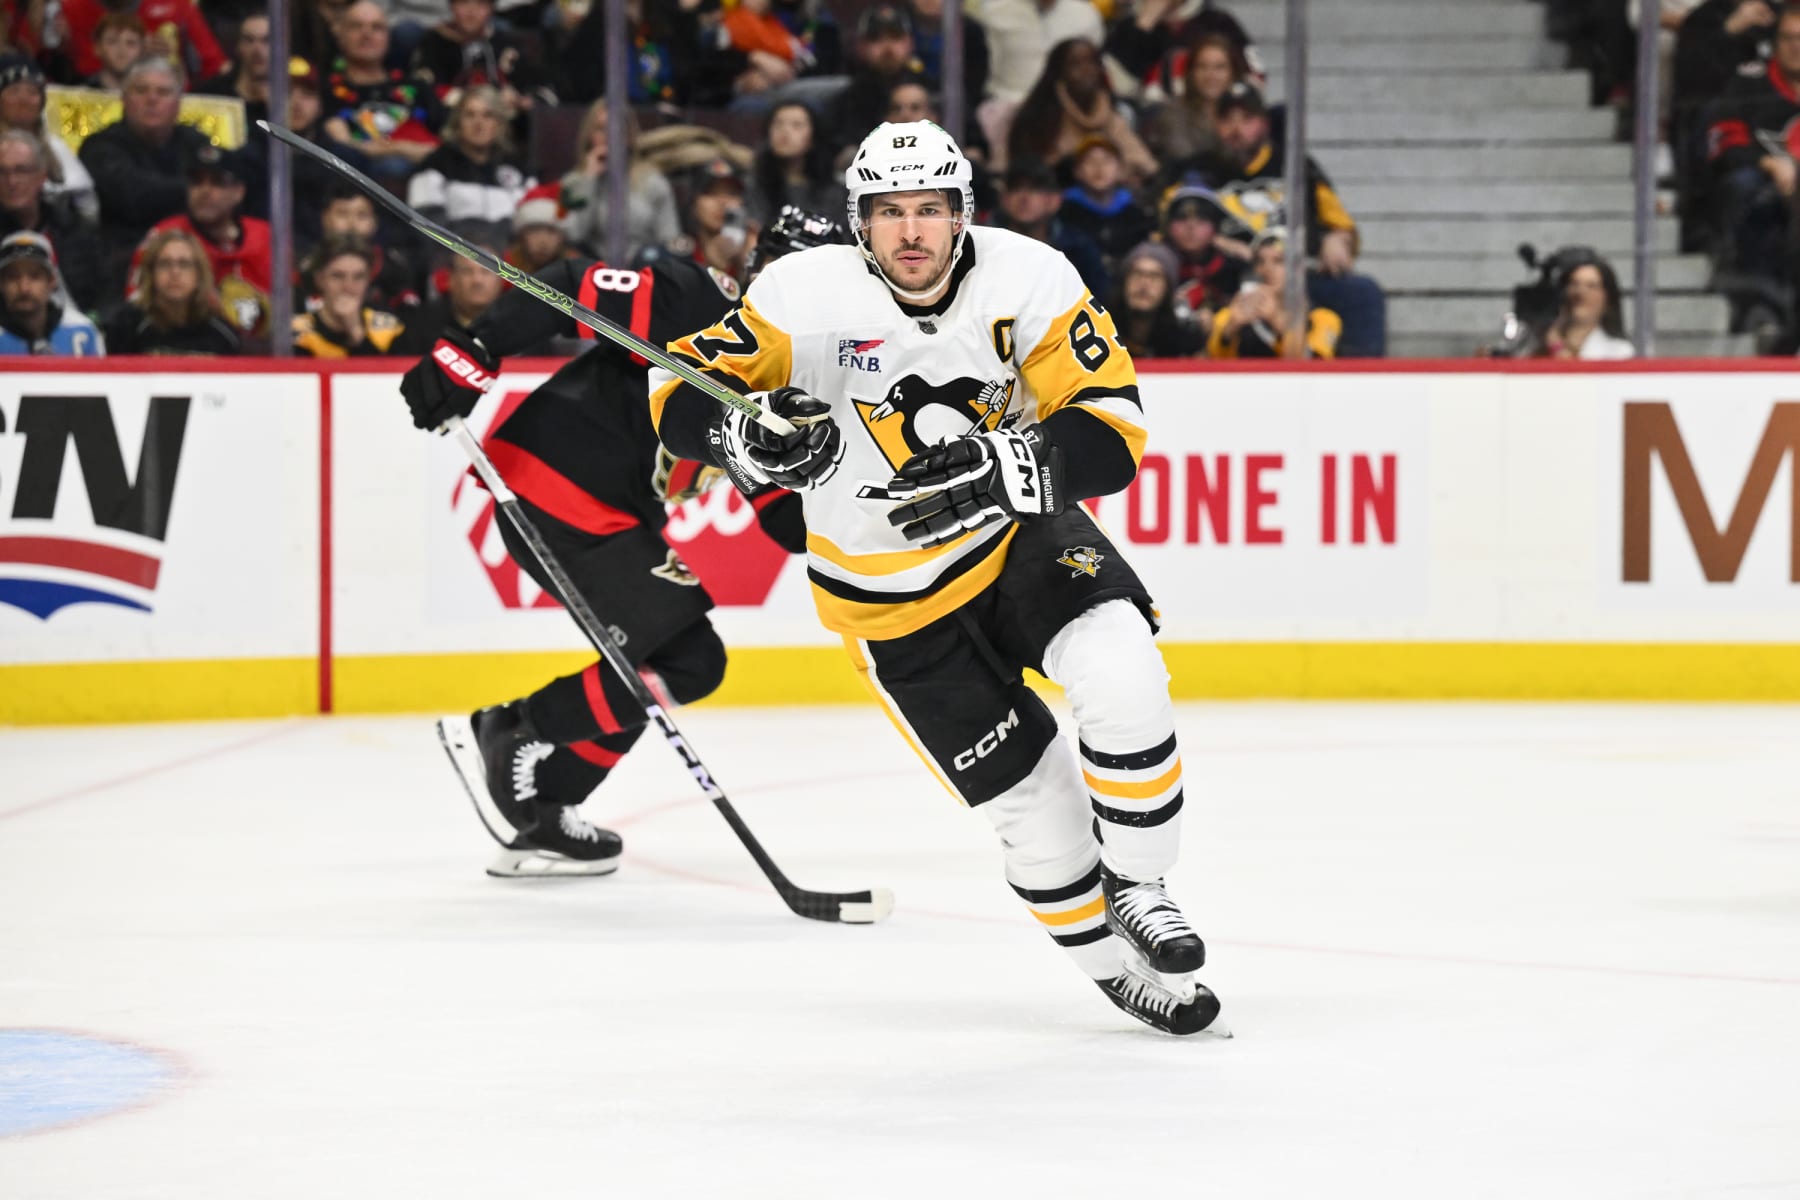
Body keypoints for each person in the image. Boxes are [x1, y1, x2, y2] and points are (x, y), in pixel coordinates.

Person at [648, 121, 1222, 1036]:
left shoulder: (1030, 275)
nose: (910, 232)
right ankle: (1113, 968)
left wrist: (1011, 465)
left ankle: (1144, 885)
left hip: (1015, 541)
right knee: (1036, 817)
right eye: (887, 214)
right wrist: (741, 436)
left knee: (1123, 671)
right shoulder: (799, 294)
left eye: (930, 210)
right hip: (887, 604)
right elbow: (680, 391)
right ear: (858, 221)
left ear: (963, 214)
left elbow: (1111, 424)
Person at [395, 207, 845, 876]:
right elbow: (571, 285)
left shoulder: (793, 386)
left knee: (663, 660)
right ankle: (511, 731)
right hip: (551, 483)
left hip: (608, 511)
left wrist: (858, 494)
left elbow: (786, 524)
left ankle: (544, 804)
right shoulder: (700, 302)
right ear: (759, 266)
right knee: (689, 661)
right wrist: (478, 348)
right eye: (789, 272)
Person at [1188, 81, 1386, 357]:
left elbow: (1342, 226)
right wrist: (1214, 242)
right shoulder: (1198, 171)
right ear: (1215, 124)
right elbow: (1172, 223)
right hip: (1226, 277)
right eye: (1228, 120)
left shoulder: (1296, 165)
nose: (1237, 129)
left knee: (1362, 292)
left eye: (1247, 119)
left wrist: (1338, 237)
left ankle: (1360, 383)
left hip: (1299, 278)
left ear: (1264, 124)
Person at [79, 58, 215, 303]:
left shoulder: (196, 143)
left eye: (162, 92)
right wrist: (194, 192)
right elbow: (133, 197)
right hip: (121, 258)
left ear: (178, 103)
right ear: (123, 98)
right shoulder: (99, 147)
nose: (152, 99)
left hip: (195, 250)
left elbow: (220, 194)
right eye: (141, 90)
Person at [132, 144, 273, 342]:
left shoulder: (267, 237)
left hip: (262, 356)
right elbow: (137, 304)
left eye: (218, 182)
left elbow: (293, 308)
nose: (205, 191)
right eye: (196, 182)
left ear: (239, 192)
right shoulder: (164, 236)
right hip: (179, 344)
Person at [1004, 37, 1156, 184]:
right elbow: (1033, 175)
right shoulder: (1038, 121)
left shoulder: (1111, 116)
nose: (1086, 70)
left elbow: (1146, 165)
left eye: (1092, 62)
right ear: (1059, 72)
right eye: (1075, 64)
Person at [321, 1, 443, 183]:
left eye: (376, 27)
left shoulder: (416, 87)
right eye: (356, 26)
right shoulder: (327, 89)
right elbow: (342, 144)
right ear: (340, 35)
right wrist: (401, 148)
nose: (366, 34)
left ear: (388, 36)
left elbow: (448, 142)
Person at [405, 85, 534, 252]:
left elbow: (532, 224)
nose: (478, 123)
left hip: (512, 266)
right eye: (470, 115)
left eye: (488, 115)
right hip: (456, 263)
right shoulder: (435, 165)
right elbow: (427, 226)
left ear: (500, 123)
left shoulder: (520, 167)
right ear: (458, 122)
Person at [556, 98, 681, 262]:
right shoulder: (570, 183)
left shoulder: (654, 183)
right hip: (589, 274)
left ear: (629, 137)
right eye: (601, 129)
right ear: (590, 135)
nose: (608, 137)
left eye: (616, 129)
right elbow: (572, 235)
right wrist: (589, 180)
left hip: (644, 272)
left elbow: (670, 241)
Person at [0, 130, 101, 313]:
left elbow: (101, 292)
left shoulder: (73, 228)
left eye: (21, 171)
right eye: (2, 172)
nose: (11, 181)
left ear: (42, 177)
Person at [1206, 226, 1341, 360]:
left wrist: (1276, 322)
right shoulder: (1232, 315)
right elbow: (1210, 368)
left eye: (1278, 261)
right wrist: (1230, 330)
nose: (1267, 269)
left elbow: (1318, 367)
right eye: (1260, 261)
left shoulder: (1322, 319)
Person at [104, 227, 241, 354]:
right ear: (151, 273)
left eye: (184, 264)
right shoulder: (127, 326)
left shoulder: (222, 332)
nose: (175, 272)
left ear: (199, 275)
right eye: (164, 264)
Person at [0, 53, 98, 223]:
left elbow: (87, 208)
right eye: (14, 91)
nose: (24, 100)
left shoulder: (56, 148)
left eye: (32, 92)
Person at [992, 157, 1107, 298]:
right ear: (1003, 199)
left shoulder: (1079, 250)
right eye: (1015, 188)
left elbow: (1098, 303)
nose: (1024, 197)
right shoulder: (982, 246)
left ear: (1055, 200)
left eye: (1035, 189)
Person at [291, 235, 408, 356]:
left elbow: (393, 373)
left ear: (369, 280)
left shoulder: (389, 329)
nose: (348, 287)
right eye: (338, 276)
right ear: (320, 279)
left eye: (358, 277)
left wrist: (356, 331)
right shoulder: (296, 332)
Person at [313, 183, 421, 310]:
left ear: (374, 222)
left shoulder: (397, 271)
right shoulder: (304, 268)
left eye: (362, 215)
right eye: (342, 214)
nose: (351, 224)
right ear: (325, 218)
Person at [0, 231, 104, 356]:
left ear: (52, 281)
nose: (24, 288)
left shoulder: (82, 330)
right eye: (13, 277)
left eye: (34, 276)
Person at [1057, 134, 1155, 266]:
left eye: (1107, 161)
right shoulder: (1063, 213)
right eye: (1090, 161)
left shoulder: (1136, 215)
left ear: (1121, 170)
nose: (1099, 167)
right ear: (1077, 171)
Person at [747, 101, 845, 227]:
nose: (785, 131)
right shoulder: (753, 186)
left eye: (797, 125)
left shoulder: (835, 192)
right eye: (778, 124)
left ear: (814, 137)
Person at [1111, 241, 1206, 359]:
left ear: (1168, 288)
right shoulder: (1102, 331)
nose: (1144, 283)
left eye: (1154, 276)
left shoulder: (1184, 344)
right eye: (1137, 274)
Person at [1537, 253, 1634, 360]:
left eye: (1591, 286)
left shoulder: (1619, 351)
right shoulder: (1537, 343)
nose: (1580, 292)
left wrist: (1557, 348)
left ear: (1608, 298)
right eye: (1574, 284)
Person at [193, 13, 274, 126]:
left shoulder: (289, 99)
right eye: (249, 40)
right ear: (238, 46)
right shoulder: (211, 94)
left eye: (266, 40)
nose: (257, 49)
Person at [85, 11, 149, 92]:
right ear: (97, 48)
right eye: (112, 41)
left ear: (142, 50)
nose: (122, 49)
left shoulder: (153, 96)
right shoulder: (79, 94)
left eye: (131, 43)